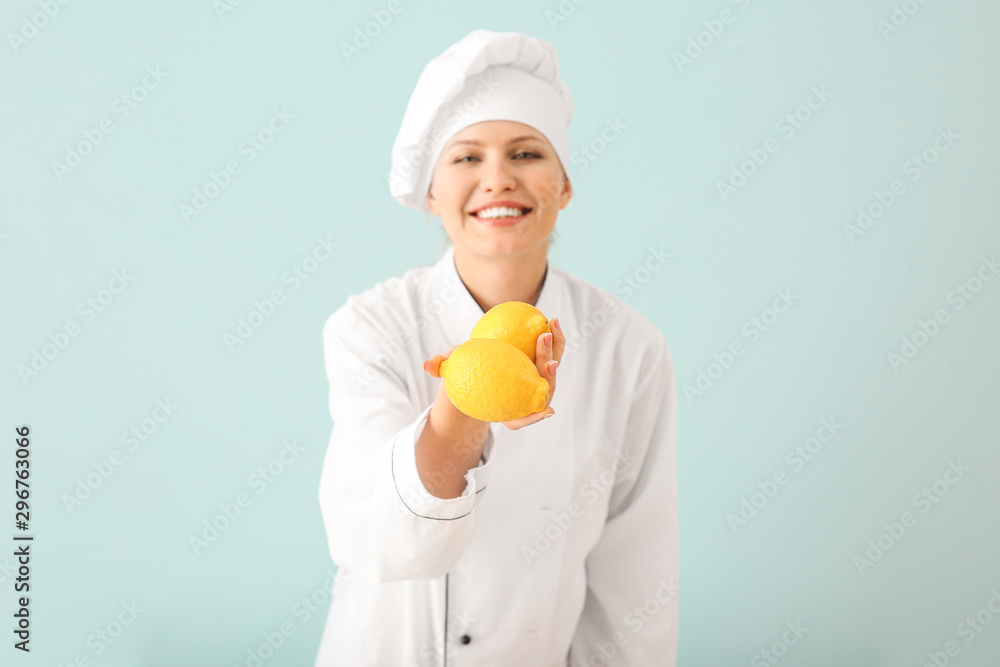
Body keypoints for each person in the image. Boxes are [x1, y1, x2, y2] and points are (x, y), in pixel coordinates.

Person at [314, 29, 678, 666]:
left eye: (527, 153)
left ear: (563, 185)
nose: (498, 178)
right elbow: (375, 541)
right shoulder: (370, 328)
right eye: (465, 158)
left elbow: (635, 583)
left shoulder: (629, 348)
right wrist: (464, 406)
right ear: (431, 193)